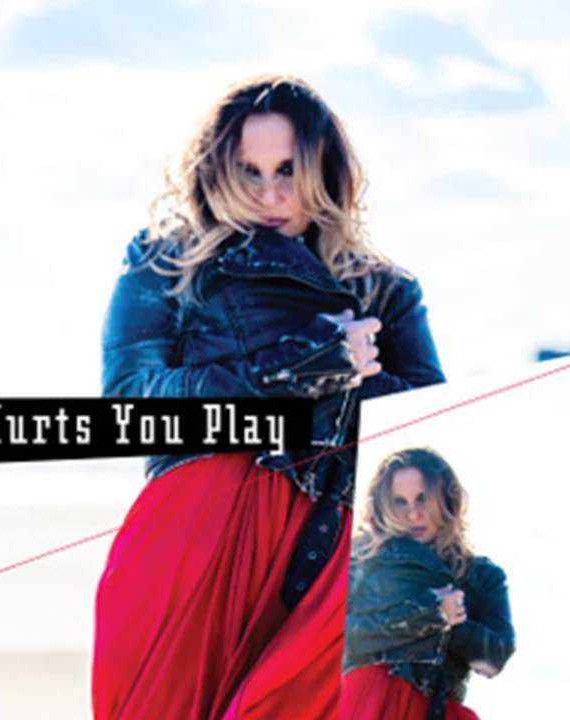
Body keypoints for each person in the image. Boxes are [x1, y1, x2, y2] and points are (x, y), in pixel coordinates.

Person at [93, 74, 446, 720]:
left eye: (288, 169)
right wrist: (283, 370)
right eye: (247, 172)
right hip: (192, 545)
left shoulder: (385, 289)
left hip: (337, 554)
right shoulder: (168, 261)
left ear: (325, 168)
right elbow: (130, 402)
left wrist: (352, 385)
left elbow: (434, 439)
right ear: (216, 172)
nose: (269, 194)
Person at [341, 448, 515, 720]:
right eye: (400, 502)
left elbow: (495, 658)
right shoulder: (361, 561)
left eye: (423, 499)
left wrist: (454, 624)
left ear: (446, 498)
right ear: (383, 506)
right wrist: (425, 617)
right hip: (368, 701)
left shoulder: (481, 574)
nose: (413, 515)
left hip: (438, 707)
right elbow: (339, 637)